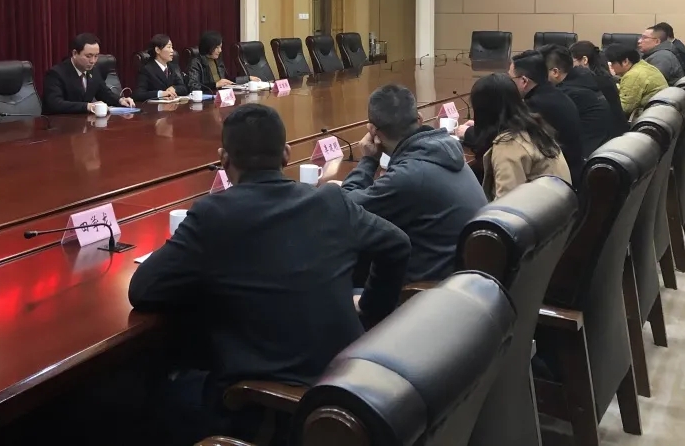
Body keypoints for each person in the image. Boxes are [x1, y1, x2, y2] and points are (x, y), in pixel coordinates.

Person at [128, 104, 410, 445]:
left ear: (223, 159)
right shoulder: (330, 201)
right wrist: (371, 313)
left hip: (274, 410)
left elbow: (143, 289)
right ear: (286, 154)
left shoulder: (214, 215)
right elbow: (397, 244)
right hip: (345, 383)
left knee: (143, 398)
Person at [338, 84, 487, 283]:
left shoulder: (408, 176)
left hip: (427, 292)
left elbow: (343, 208)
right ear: (419, 119)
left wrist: (368, 160)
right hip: (465, 283)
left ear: (373, 130)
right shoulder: (445, 149)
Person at [467, 74, 572, 199]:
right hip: (559, 205)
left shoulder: (508, 144)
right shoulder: (534, 127)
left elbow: (506, 204)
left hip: (540, 209)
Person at [506, 50, 585, 179]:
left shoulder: (535, 105)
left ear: (524, 81)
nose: (508, 83)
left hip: (557, 179)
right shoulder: (556, 95)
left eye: (510, 79)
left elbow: (509, 138)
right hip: (571, 172)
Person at [539, 44, 617, 157]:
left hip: (582, 156)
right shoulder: (586, 79)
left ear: (555, 72)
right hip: (599, 149)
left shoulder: (568, 93)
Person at [43, 33, 136, 114]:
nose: (93, 61)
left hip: (84, 123)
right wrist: (87, 106)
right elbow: (55, 104)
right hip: (60, 124)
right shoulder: (56, 74)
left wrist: (120, 100)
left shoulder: (94, 71)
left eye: (96, 56)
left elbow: (104, 93)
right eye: (88, 56)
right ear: (75, 53)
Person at [570, 40, 628, 135]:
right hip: (616, 131)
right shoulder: (603, 75)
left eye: (572, 61)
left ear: (584, 60)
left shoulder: (590, 81)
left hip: (608, 134)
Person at [604, 43, 667, 120]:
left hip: (648, 117)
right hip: (658, 113)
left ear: (625, 61)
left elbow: (624, 108)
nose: (611, 66)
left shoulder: (633, 75)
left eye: (612, 63)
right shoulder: (642, 65)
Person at [187, 30, 259, 93]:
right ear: (208, 47)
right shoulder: (196, 63)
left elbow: (226, 80)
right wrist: (215, 85)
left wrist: (247, 78)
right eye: (217, 47)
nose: (220, 50)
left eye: (220, 47)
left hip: (221, 95)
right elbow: (193, 86)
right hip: (207, 98)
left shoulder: (217, 60)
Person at [134, 34, 191, 102]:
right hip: (155, 108)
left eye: (172, 47)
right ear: (157, 50)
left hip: (174, 106)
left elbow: (183, 88)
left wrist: (174, 88)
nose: (172, 50)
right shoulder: (147, 69)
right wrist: (160, 94)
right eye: (169, 47)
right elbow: (138, 94)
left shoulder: (173, 67)